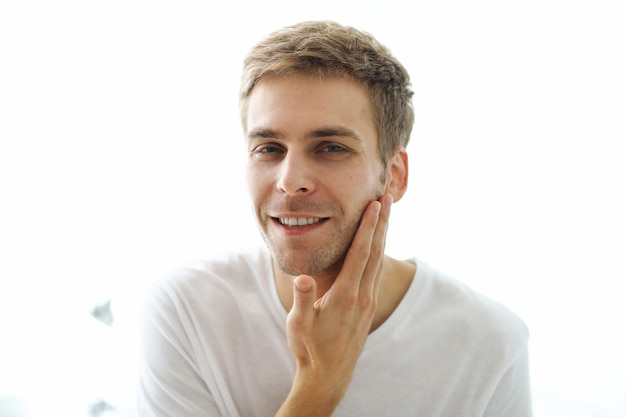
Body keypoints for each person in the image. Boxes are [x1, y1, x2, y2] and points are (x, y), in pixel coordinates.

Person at [137, 20, 532, 417]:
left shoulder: (490, 344)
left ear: (394, 175)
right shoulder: (186, 310)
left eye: (330, 148)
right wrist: (319, 387)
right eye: (269, 148)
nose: (290, 182)